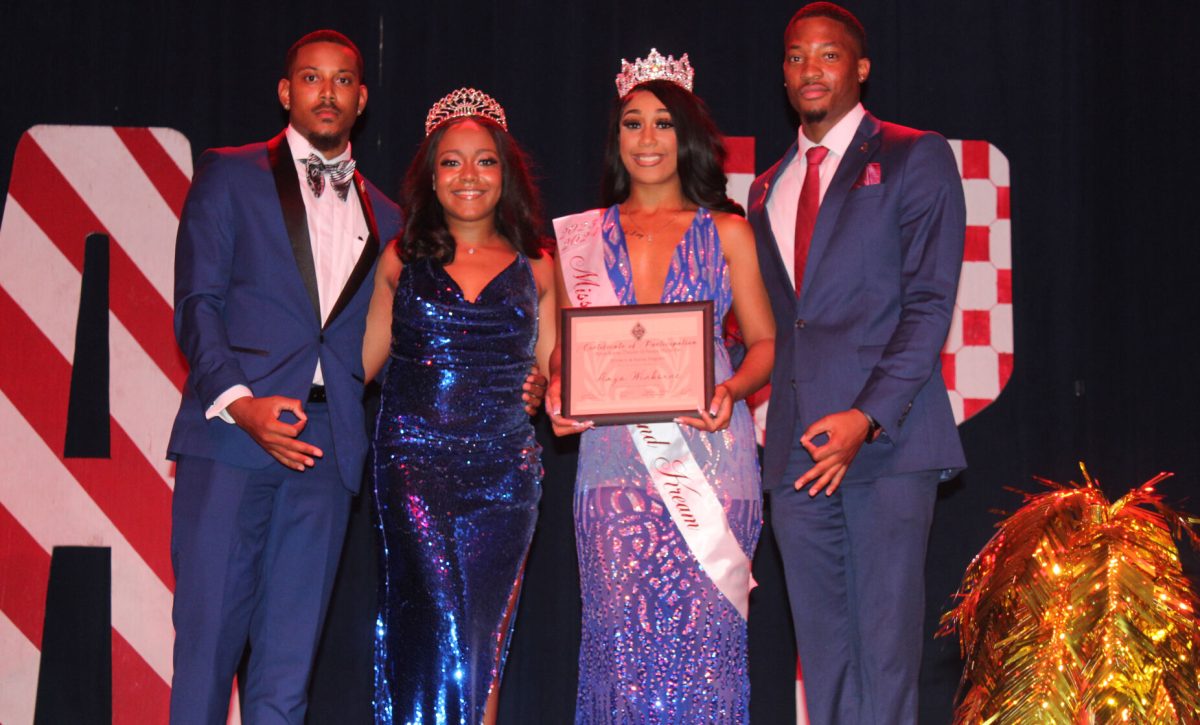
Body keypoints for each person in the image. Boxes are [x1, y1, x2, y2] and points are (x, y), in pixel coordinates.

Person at [167, 30, 401, 724]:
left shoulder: (386, 214)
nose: (326, 92)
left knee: (287, 667)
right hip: (233, 439)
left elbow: (378, 338)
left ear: (361, 97)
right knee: (207, 651)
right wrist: (243, 407)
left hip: (328, 447)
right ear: (285, 91)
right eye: (310, 78)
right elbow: (197, 305)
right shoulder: (230, 173)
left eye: (341, 81)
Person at [747, 4, 967, 723]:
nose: (811, 69)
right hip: (797, 454)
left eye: (828, 55)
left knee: (884, 660)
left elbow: (931, 305)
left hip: (886, 443)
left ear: (861, 67)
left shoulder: (913, 154)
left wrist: (865, 417)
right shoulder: (765, 186)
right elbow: (782, 325)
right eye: (795, 57)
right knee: (826, 661)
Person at [548, 50, 775, 724]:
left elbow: (764, 343)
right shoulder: (581, 238)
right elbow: (565, 356)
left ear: (689, 136)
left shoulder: (728, 231)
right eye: (632, 123)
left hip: (710, 457)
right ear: (616, 138)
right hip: (614, 462)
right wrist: (561, 397)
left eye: (663, 124)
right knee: (620, 646)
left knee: (707, 650)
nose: (647, 138)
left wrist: (733, 387)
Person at [363, 88, 556, 725]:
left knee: (484, 635)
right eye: (451, 161)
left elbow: (561, 372)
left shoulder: (540, 267)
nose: (468, 175)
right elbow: (355, 365)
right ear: (430, 174)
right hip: (413, 466)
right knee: (437, 622)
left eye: (484, 161)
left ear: (506, 172)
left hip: (505, 476)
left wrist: (545, 386)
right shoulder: (401, 259)